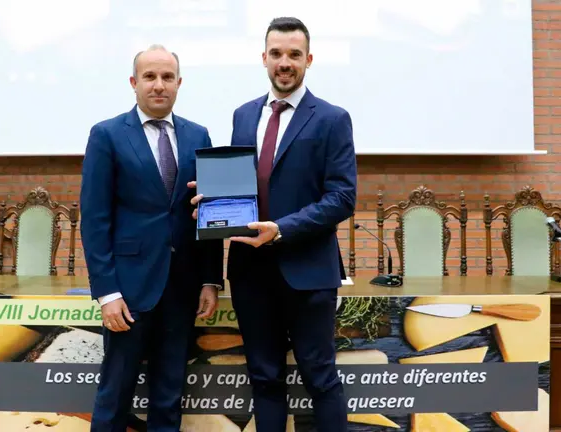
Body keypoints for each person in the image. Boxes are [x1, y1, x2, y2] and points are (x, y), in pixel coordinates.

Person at [190, 16, 357, 432]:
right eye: (277, 54)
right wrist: (212, 202)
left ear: (308, 60)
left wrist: (281, 228)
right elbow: (240, 185)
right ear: (264, 58)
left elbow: (342, 197)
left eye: (294, 55)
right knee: (264, 379)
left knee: (320, 378)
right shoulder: (244, 115)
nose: (285, 62)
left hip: (308, 272)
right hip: (251, 272)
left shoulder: (332, 118)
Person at [80, 44, 224, 432]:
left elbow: (209, 213)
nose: (158, 85)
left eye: (167, 77)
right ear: (134, 82)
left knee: (168, 395)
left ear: (179, 83)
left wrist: (210, 279)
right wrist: (107, 293)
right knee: (115, 394)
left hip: (182, 288)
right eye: (149, 77)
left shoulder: (198, 135)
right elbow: (94, 220)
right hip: (128, 291)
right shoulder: (107, 135)